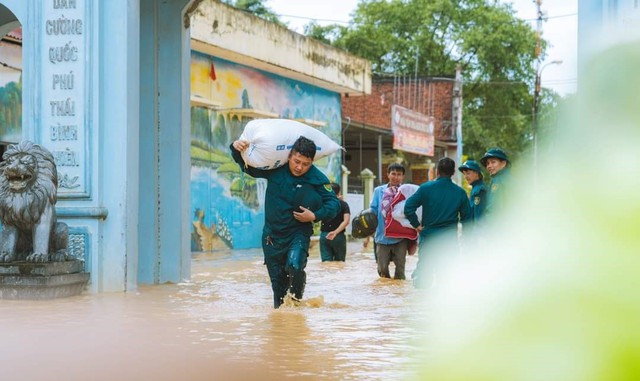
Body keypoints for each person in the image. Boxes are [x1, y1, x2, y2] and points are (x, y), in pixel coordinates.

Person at [230, 136, 340, 308]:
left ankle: (296, 304)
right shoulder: (275, 170)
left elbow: (333, 204)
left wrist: (315, 216)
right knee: (278, 289)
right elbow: (248, 168)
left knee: (295, 266)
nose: (299, 167)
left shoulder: (316, 178)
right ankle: (284, 326)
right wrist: (236, 149)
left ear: (311, 162)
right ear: (289, 156)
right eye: (296, 161)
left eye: (305, 164)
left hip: (298, 234)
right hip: (272, 237)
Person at [404, 157, 471, 288]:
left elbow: (408, 207)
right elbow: (467, 220)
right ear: (453, 173)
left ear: (437, 171)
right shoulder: (460, 193)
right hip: (449, 241)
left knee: (423, 277)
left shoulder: (425, 188)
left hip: (429, 238)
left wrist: (416, 225)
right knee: (447, 279)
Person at [370, 163, 410, 280]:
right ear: (388, 174)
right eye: (393, 174)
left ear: (402, 177)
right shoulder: (378, 191)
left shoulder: (406, 191)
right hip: (382, 236)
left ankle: (398, 295)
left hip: (400, 237)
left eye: (399, 174)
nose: (396, 177)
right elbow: (373, 210)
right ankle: (386, 294)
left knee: (400, 271)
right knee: (382, 270)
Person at [319, 183, 351, 262]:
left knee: (326, 263)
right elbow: (346, 221)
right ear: (339, 192)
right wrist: (335, 232)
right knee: (339, 263)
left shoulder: (323, 204)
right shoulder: (343, 204)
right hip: (338, 236)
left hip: (324, 235)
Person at [480, 147, 511, 217]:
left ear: (503, 163)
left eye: (493, 162)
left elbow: (493, 208)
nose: (489, 166)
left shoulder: (498, 180)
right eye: (487, 163)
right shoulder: (509, 178)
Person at [458, 160, 488, 224]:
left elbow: (479, 218)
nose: (465, 177)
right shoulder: (476, 188)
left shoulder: (479, 191)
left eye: (468, 173)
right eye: (464, 174)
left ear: (477, 173)